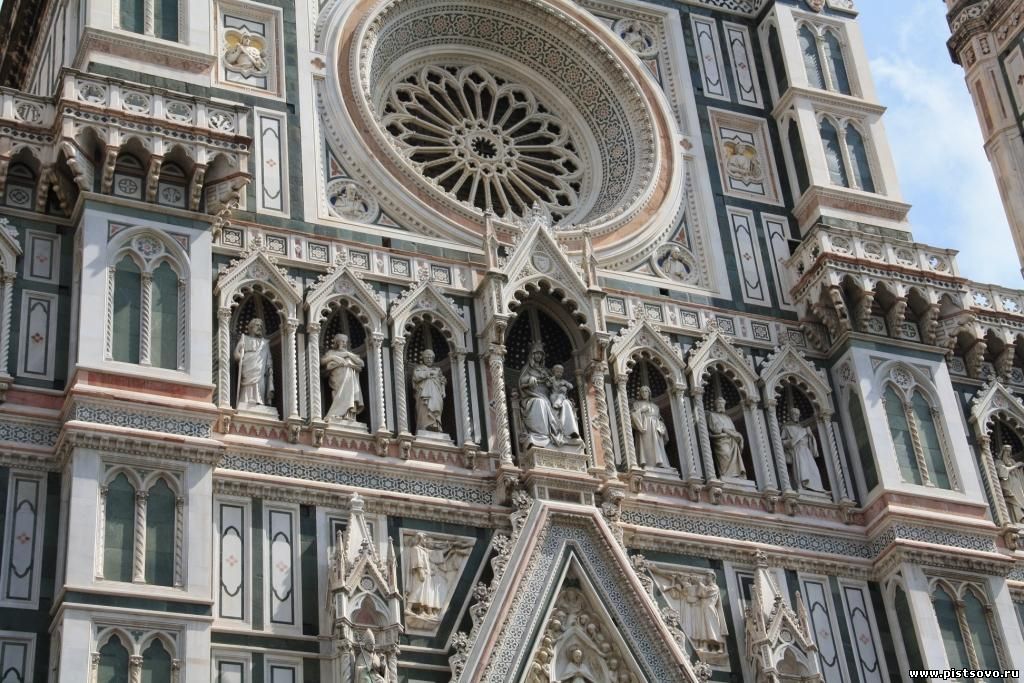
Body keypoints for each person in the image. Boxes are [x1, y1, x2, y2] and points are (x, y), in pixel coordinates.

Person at [518, 342, 580, 448]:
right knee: (540, 403)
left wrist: (560, 388)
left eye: (540, 354)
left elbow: (555, 382)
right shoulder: (527, 369)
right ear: (532, 355)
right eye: (536, 353)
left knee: (565, 403)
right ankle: (541, 436)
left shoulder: (546, 371)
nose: (538, 356)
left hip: (549, 397)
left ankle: (570, 434)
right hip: (533, 396)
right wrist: (530, 379)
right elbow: (521, 382)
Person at [321, 333, 364, 422]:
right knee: (338, 393)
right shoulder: (331, 353)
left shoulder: (349, 354)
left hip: (349, 379)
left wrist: (348, 354)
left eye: (345, 342)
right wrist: (333, 357)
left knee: (349, 394)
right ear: (337, 342)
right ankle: (336, 413)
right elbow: (322, 362)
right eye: (342, 341)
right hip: (337, 377)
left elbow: (361, 363)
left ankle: (348, 415)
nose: (344, 343)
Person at [234, 318, 274, 411]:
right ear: (251, 327)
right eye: (257, 325)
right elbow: (236, 355)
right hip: (248, 367)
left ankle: (259, 401)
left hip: (260, 369)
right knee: (247, 386)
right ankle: (245, 401)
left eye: (261, 326)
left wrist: (270, 367)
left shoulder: (265, 343)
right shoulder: (244, 338)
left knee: (261, 384)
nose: (259, 327)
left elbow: (269, 357)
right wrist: (239, 353)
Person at [781, 408, 825, 492]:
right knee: (801, 468)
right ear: (790, 415)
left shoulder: (803, 428)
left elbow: (810, 442)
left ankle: (818, 487)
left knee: (813, 469)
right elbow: (783, 442)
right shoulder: (786, 428)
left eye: (797, 414)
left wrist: (811, 436)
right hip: (797, 450)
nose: (796, 416)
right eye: (794, 414)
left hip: (806, 451)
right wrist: (792, 442)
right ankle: (801, 486)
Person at [631, 385, 670, 468]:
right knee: (647, 445)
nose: (644, 393)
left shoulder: (656, 407)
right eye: (642, 392)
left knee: (657, 445)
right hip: (645, 427)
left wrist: (661, 425)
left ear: (649, 393)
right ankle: (648, 463)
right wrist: (641, 410)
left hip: (656, 427)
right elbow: (633, 415)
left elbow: (660, 419)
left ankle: (660, 462)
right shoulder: (637, 404)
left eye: (646, 391)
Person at [707, 397, 746, 478]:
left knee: (734, 456)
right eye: (719, 404)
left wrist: (739, 436)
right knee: (725, 453)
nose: (721, 406)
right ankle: (726, 475)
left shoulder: (728, 418)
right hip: (721, 439)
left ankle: (735, 475)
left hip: (732, 440)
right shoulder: (712, 415)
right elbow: (717, 429)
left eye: (722, 404)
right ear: (716, 406)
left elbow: (733, 430)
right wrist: (731, 433)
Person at [411, 349, 447, 433]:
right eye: (427, 358)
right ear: (423, 358)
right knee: (424, 409)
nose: (429, 359)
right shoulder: (419, 369)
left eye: (431, 358)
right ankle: (424, 425)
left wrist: (443, 391)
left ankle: (435, 425)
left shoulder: (437, 370)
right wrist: (428, 374)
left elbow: (442, 381)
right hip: (423, 394)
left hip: (436, 394)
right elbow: (416, 377)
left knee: (436, 407)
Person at [998, 444, 1024, 524]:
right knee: (1013, 500)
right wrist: (1015, 466)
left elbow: (1018, 473)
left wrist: (1019, 467)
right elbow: (1002, 473)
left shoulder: (1012, 461)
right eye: (1006, 451)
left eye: (1009, 451)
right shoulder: (999, 462)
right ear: (1003, 452)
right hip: (1007, 484)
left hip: (1016, 484)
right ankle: (1018, 519)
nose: (1008, 453)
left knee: (1020, 500)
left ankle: (1021, 519)